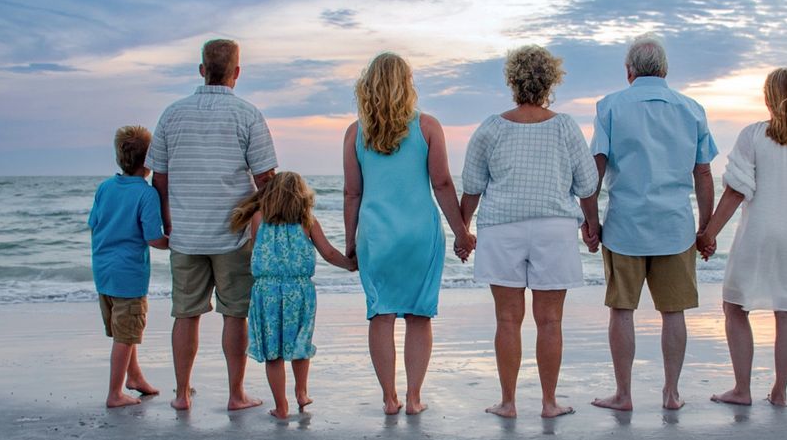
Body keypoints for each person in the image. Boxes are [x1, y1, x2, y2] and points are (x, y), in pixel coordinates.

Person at [459, 45, 599, 419]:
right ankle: (549, 403)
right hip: (554, 228)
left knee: (507, 319)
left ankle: (508, 402)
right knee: (550, 320)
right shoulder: (565, 126)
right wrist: (592, 225)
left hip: (502, 227)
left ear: (513, 81)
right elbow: (587, 184)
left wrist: (463, 230)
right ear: (551, 81)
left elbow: (472, 186)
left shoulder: (491, 127)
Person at [697, 68, 787, 407]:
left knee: (735, 305)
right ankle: (780, 392)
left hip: (765, 229)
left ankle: (742, 389)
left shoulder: (754, 135)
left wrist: (709, 234)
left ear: (768, 98)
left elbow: (737, 191)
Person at [588, 34, 717, 412]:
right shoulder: (691, 109)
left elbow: (596, 167)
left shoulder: (610, 107)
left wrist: (590, 220)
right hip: (674, 225)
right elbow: (704, 173)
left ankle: (624, 394)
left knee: (622, 310)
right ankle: (671, 393)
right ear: (664, 70)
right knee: (672, 312)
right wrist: (706, 227)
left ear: (628, 72)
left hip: (626, 223)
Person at [146, 39, 278, 411]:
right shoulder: (248, 114)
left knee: (185, 313)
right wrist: (264, 226)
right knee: (234, 314)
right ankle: (236, 394)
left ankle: (182, 394)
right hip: (233, 234)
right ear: (237, 72)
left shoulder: (172, 114)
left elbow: (160, 177)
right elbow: (267, 178)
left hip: (186, 233)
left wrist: (167, 222)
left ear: (202, 70)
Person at [343, 52, 474, 416]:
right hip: (419, 234)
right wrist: (462, 232)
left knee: (380, 314)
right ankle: (414, 397)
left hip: (377, 235)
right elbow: (443, 184)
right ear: (407, 84)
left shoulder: (355, 132)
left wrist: (350, 241)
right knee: (419, 315)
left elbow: (352, 193)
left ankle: (389, 397)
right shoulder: (427, 127)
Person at [228, 172, 354, 418]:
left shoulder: (258, 218)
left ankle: (281, 406)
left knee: (273, 352)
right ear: (302, 197)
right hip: (300, 293)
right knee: (300, 344)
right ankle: (302, 393)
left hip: (267, 293)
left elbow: (257, 251)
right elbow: (328, 252)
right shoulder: (307, 221)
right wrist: (350, 264)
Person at [88, 126, 169, 408]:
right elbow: (153, 238)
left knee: (124, 331)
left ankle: (135, 377)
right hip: (129, 277)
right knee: (125, 336)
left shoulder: (105, 187)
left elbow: (94, 225)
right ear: (149, 162)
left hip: (103, 272)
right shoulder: (146, 195)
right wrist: (175, 242)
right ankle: (114, 393)